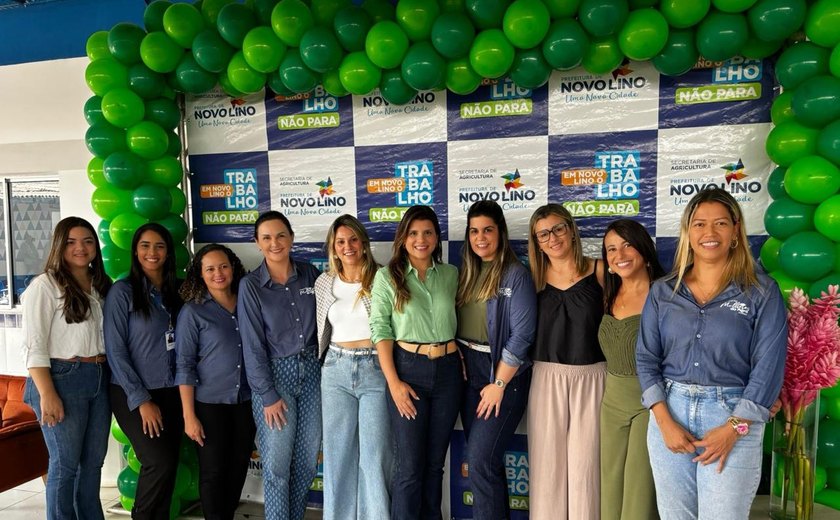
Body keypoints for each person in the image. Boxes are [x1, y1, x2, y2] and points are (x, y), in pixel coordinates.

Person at [636, 188, 787, 519]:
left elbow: (768, 368)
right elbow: (646, 358)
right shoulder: (663, 291)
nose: (709, 233)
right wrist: (664, 421)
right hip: (669, 416)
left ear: (735, 231)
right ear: (688, 232)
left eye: (720, 223)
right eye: (700, 224)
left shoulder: (762, 291)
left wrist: (734, 427)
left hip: (733, 415)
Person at [369, 205, 461, 520]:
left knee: (435, 464)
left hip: (449, 373)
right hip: (408, 371)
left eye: (427, 232)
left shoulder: (450, 275)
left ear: (436, 237)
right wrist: (394, 384)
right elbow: (380, 332)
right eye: (413, 233)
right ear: (403, 237)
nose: (421, 239)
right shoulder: (386, 277)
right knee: (409, 467)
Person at [21, 216, 112, 520]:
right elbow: (35, 347)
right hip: (61, 379)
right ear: (59, 245)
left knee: (93, 463)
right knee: (65, 465)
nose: (80, 248)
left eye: (87, 241)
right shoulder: (44, 286)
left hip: (99, 377)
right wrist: (47, 393)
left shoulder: (100, 284)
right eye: (71, 242)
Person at [238, 211, 321, 520]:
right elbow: (252, 345)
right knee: (276, 465)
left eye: (281, 235)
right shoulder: (250, 286)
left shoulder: (310, 274)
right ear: (257, 243)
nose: (275, 243)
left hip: (312, 371)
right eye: (267, 238)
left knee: (306, 463)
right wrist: (268, 394)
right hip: (275, 377)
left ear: (292, 238)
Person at [455, 201, 536, 520]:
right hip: (469, 373)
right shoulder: (465, 273)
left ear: (500, 233)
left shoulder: (516, 275)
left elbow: (522, 336)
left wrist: (499, 383)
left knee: (480, 461)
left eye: (488, 229)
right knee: (485, 464)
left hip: (504, 375)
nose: (481, 237)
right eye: (474, 231)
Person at [526, 203, 606, 520]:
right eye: (544, 233)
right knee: (548, 466)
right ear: (537, 241)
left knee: (586, 465)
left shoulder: (600, 270)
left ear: (571, 230)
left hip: (594, 376)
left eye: (558, 228)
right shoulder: (532, 279)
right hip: (546, 378)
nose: (553, 238)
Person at [105, 223, 184, 520]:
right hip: (133, 392)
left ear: (168, 251)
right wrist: (141, 400)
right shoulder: (122, 292)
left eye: (159, 246)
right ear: (135, 250)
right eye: (145, 246)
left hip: (174, 390)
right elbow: (116, 351)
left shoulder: (177, 289)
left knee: (169, 465)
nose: (152, 253)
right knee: (158, 462)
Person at [315, 215, 391, 520]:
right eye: (340, 241)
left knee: (374, 458)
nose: (347, 246)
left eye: (353, 240)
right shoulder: (324, 283)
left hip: (375, 368)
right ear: (333, 247)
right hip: (335, 369)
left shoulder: (383, 277)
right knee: (337, 456)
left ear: (364, 243)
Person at [176, 244, 255, 520]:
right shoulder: (193, 312)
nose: (218, 273)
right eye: (210, 269)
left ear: (233, 267)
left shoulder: (249, 302)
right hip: (209, 406)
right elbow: (184, 365)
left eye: (223, 266)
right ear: (200, 274)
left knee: (238, 467)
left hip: (246, 402)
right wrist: (189, 416)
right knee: (213, 473)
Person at [598, 219, 664, 520]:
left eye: (626, 244)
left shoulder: (664, 294)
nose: (619, 254)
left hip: (649, 403)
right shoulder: (608, 293)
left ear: (644, 249)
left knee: (638, 492)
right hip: (611, 402)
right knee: (610, 488)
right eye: (611, 248)